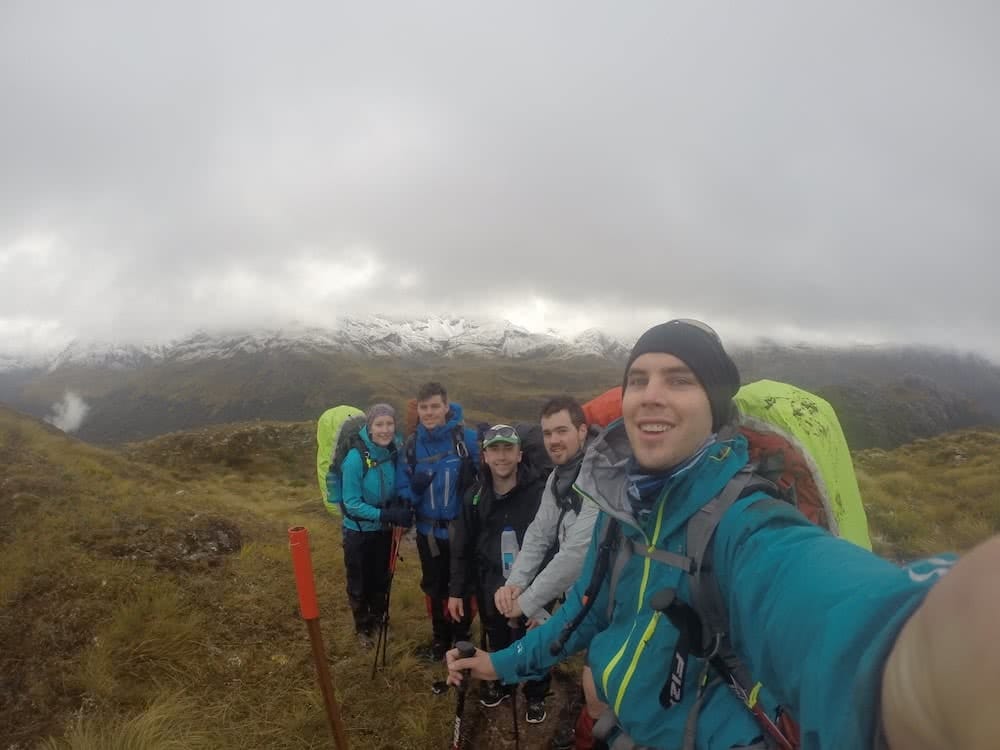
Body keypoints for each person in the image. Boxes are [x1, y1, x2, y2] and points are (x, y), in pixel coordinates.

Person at [447, 319, 1000, 749]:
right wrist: (499, 663)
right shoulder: (622, 508)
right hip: (620, 729)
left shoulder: (743, 523)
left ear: (714, 409)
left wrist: (919, 657)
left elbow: (833, 608)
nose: (651, 394)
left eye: (679, 380)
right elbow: (584, 613)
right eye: (638, 379)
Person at [492, 397, 604, 744]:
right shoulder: (559, 477)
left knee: (604, 677)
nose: (554, 440)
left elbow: (576, 554)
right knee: (595, 676)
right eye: (547, 433)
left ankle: (598, 734)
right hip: (586, 592)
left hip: (614, 594)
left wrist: (526, 602)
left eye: (562, 431)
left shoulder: (600, 477)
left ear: (582, 431)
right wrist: (514, 585)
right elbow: (540, 535)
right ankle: (593, 732)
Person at [448, 424, 549, 721]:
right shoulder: (474, 497)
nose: (502, 456)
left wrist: (543, 596)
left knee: (534, 638)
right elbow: (462, 547)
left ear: (520, 454)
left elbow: (553, 545)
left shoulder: (541, 494)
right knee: (497, 633)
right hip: (489, 580)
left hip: (533, 582)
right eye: (495, 449)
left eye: (508, 449)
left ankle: (536, 693)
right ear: (485, 455)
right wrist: (456, 591)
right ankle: (504, 682)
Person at [397, 381, 481, 662]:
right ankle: (439, 639)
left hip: (460, 532)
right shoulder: (411, 445)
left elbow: (487, 478)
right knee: (434, 587)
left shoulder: (467, 440)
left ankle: (461, 638)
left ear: (446, 407)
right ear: (418, 410)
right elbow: (402, 487)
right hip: (427, 532)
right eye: (424, 407)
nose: (430, 412)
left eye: (435, 406)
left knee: (462, 587)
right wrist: (414, 492)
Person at [338, 403, 411, 648]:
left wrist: (401, 507)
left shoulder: (393, 452)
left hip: (384, 531)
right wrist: (385, 514)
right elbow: (351, 504)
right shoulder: (354, 458)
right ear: (369, 428)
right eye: (379, 424)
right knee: (359, 581)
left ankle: (380, 620)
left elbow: (398, 485)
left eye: (389, 423)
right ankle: (363, 627)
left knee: (382, 578)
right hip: (358, 532)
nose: (385, 429)